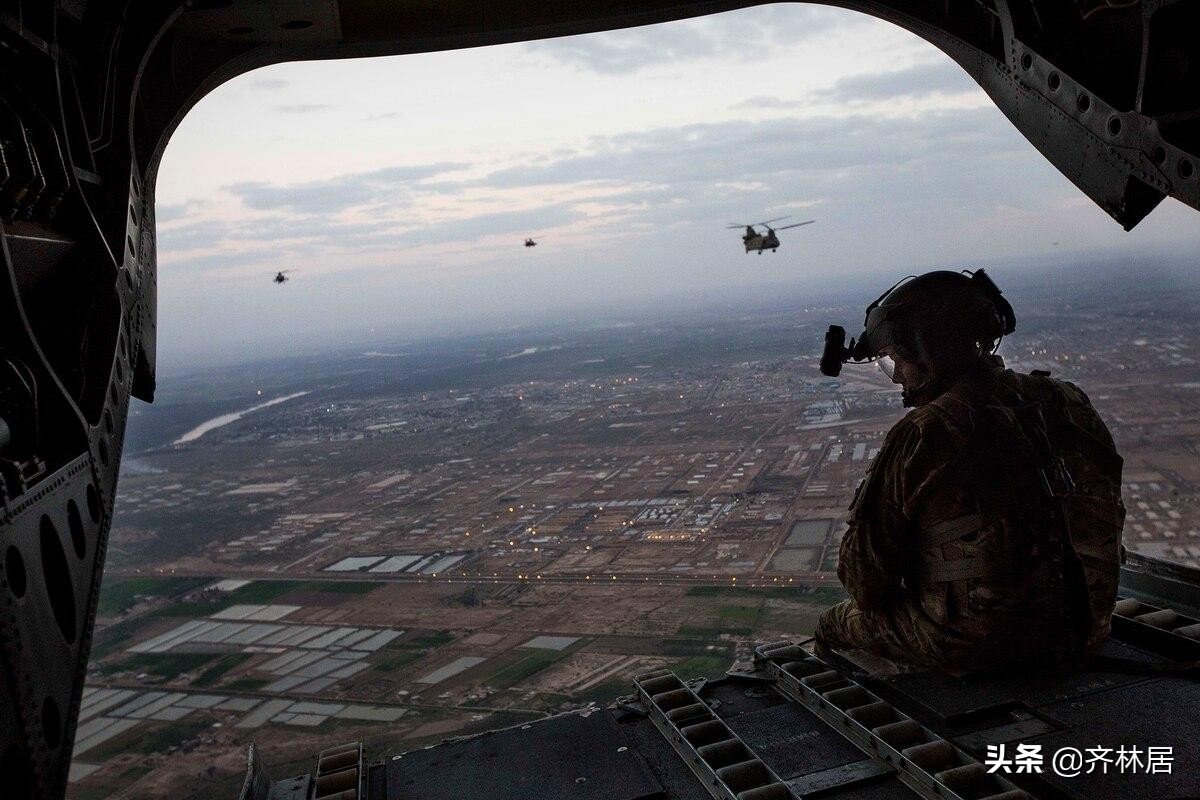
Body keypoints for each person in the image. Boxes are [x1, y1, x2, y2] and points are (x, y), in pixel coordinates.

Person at [813, 270, 1125, 674]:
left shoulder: (925, 433)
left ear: (926, 353)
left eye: (899, 361)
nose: (900, 377)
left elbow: (866, 583)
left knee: (834, 623)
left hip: (983, 647)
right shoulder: (1066, 400)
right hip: (1086, 629)